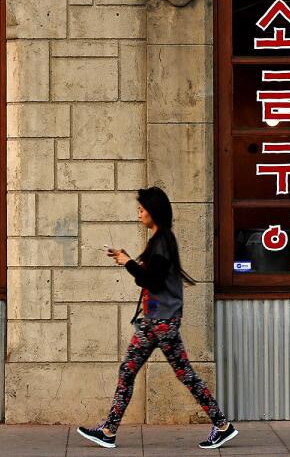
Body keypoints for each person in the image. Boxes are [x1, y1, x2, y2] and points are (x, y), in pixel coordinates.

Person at [76, 187, 238, 450]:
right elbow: (152, 276)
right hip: (156, 321)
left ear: (154, 211)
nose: (139, 214)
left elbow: (151, 280)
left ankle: (222, 425)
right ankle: (109, 430)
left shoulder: (162, 240)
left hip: (161, 323)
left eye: (142, 209)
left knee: (180, 374)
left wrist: (129, 262)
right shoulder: (159, 240)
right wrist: (128, 260)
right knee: (132, 371)